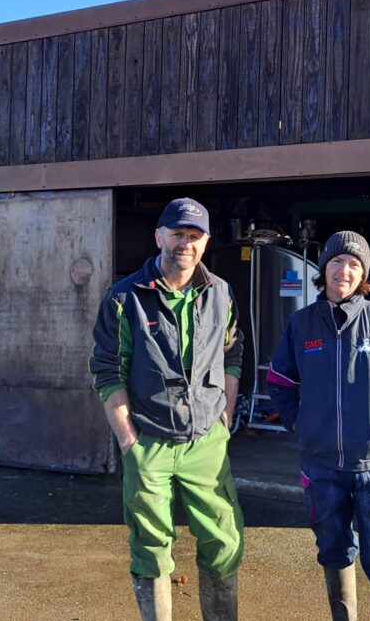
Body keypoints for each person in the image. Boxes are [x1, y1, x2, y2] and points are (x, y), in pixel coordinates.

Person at [90, 197, 245, 621]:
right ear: (159, 237)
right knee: (152, 547)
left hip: (206, 442)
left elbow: (233, 353)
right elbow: (107, 369)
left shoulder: (220, 293)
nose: (186, 244)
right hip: (149, 442)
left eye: (195, 236)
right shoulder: (125, 298)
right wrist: (128, 440)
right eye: (178, 234)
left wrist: (225, 416)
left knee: (224, 542)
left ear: (206, 242)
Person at [267, 231, 370, 621]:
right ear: (324, 268)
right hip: (321, 464)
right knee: (332, 547)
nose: (345, 270)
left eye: (354, 264)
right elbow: (281, 382)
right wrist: (302, 425)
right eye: (337, 261)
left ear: (364, 274)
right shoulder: (302, 324)